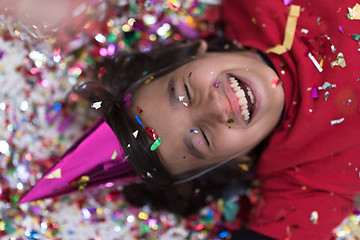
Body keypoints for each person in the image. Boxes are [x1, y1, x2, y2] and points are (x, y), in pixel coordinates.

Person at [19, 0, 360, 239]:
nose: (214, 108)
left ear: (197, 52)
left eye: (181, 92)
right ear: (234, 160)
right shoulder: (303, 178)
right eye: (201, 140)